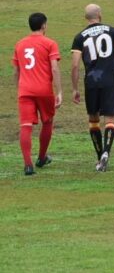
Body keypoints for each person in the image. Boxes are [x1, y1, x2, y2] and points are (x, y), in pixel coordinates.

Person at [71, 4, 114, 173]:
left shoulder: (79, 37)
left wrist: (75, 89)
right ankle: (106, 151)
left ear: (86, 17)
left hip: (91, 82)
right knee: (110, 120)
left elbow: (75, 65)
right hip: (110, 80)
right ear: (100, 15)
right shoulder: (113, 31)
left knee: (93, 120)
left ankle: (99, 157)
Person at [12, 12, 62, 176]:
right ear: (44, 25)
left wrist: (19, 88)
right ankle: (41, 158)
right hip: (44, 90)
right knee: (47, 122)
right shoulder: (49, 43)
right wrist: (59, 90)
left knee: (25, 126)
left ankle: (28, 165)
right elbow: (54, 68)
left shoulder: (19, 44)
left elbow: (16, 71)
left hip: (24, 90)